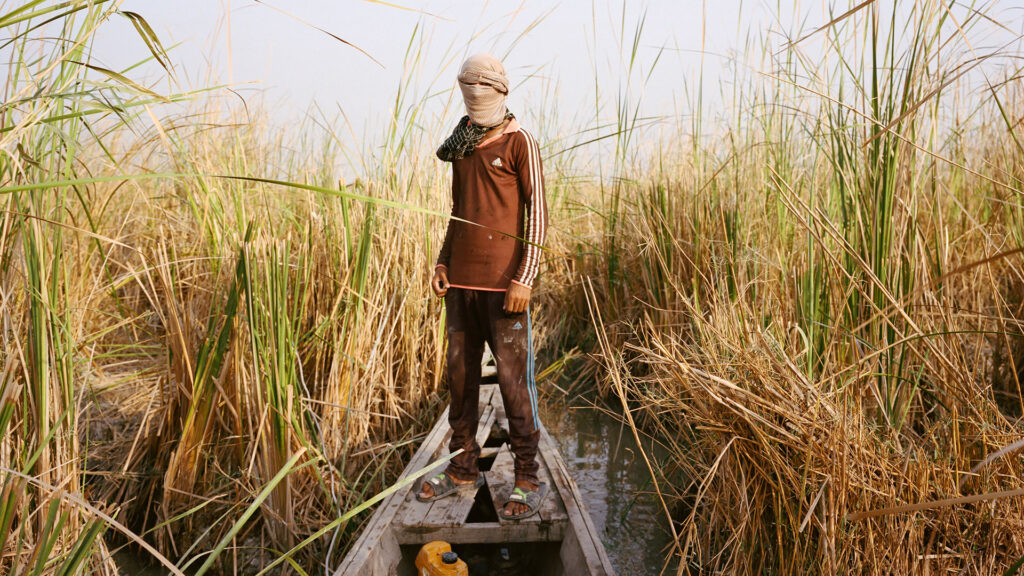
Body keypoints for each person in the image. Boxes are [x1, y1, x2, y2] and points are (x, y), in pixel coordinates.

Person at [417, 52, 548, 520]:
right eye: (467, 87)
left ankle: (528, 477)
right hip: (461, 286)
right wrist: (441, 262)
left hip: (504, 288)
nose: (474, 95)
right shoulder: (462, 145)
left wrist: (524, 278)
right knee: (460, 380)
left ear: (500, 90)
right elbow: (459, 212)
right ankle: (462, 469)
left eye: (482, 87)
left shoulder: (519, 142)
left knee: (514, 385)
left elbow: (538, 216)